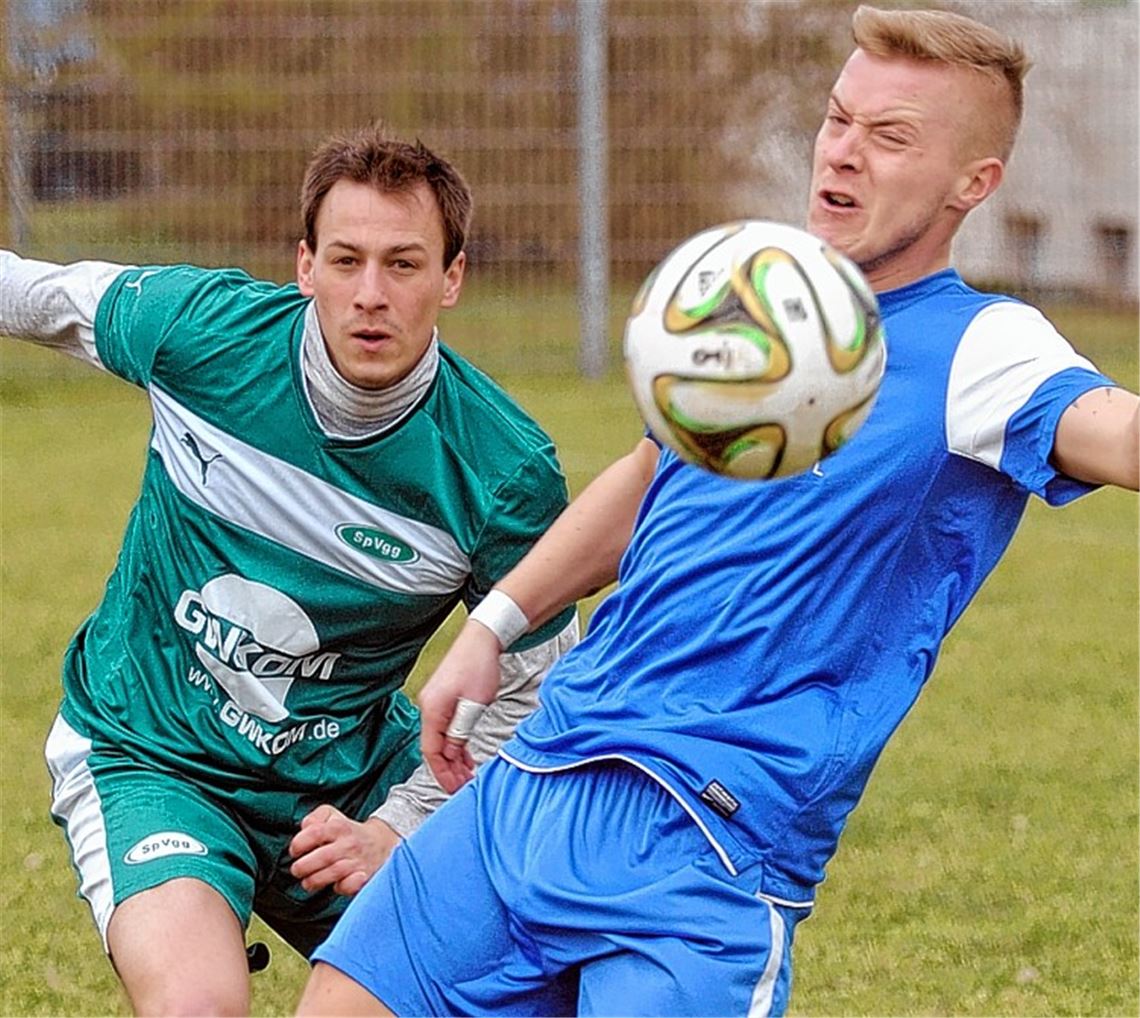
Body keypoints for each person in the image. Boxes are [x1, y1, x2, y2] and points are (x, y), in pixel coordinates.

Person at [298, 8, 1139, 1018]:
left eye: (892, 136)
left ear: (975, 184)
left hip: (708, 842)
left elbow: (1116, 433)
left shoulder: (985, 347)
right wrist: (495, 622)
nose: (844, 153)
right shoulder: (764, 287)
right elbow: (653, 473)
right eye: (838, 120)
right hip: (541, 768)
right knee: (342, 999)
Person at [0, 125, 578, 1016]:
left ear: (452, 279)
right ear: (304, 266)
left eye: (404, 264)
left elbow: (529, 690)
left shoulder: (501, 474)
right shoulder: (202, 335)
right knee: (198, 1004)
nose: (370, 295)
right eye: (345, 261)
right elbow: (37, 295)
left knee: (535, 987)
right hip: (151, 756)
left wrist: (397, 825)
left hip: (350, 783)